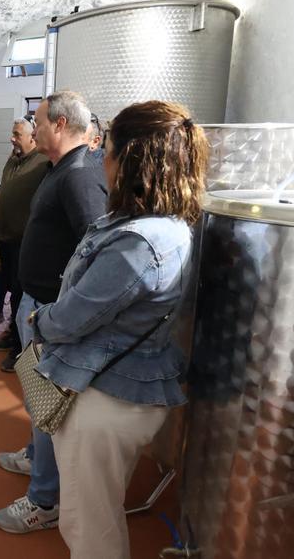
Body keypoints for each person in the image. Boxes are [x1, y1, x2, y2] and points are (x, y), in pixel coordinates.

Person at [30, 100, 206, 558]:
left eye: (105, 148)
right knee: (97, 511)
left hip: (104, 401)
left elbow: (73, 318)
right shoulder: (166, 226)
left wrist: (38, 321)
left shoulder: (137, 243)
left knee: (89, 526)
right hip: (124, 392)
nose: (99, 158)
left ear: (128, 161)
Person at [0, 90, 108, 534]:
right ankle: (34, 456)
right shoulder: (60, 168)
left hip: (50, 312)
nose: (32, 127)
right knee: (37, 399)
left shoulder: (79, 176)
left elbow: (95, 251)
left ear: (59, 124)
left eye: (37, 120)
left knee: (48, 403)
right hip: (36, 304)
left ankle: (44, 501)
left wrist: (61, 309)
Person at [0, 117, 49, 373]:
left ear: (32, 137)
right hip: (6, 238)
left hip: (25, 241)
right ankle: (12, 333)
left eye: (16, 134)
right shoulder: (13, 159)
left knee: (22, 296)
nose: (12, 138)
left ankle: (19, 350)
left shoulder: (43, 163)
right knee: (11, 288)